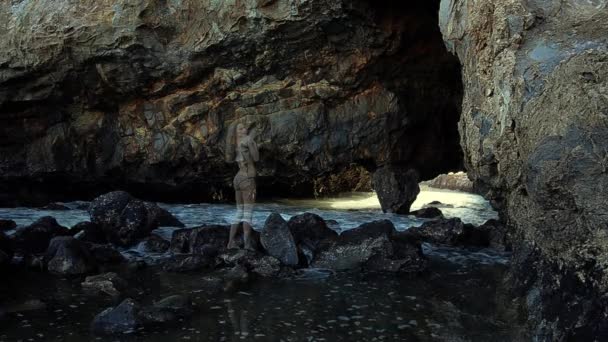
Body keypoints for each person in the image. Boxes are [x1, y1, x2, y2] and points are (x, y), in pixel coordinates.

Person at [225, 120, 259, 250]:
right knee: (248, 213)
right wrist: (253, 143)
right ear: (236, 132)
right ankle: (247, 244)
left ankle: (230, 242)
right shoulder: (247, 142)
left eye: (244, 127)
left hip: (237, 178)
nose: (244, 130)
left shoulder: (233, 145)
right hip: (247, 179)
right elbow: (256, 158)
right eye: (241, 128)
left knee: (239, 212)